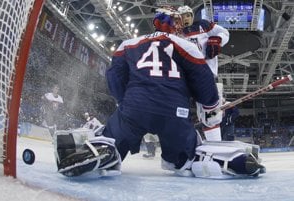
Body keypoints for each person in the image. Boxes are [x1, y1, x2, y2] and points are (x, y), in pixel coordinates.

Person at [53, 7, 265, 178]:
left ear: (153, 22)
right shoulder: (185, 44)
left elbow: (114, 77)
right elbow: (203, 79)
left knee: (113, 138)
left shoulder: (128, 44)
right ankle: (219, 159)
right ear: (175, 25)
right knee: (185, 156)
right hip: (174, 111)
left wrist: (123, 101)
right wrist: (209, 105)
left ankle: (103, 151)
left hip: (135, 106)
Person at [178, 5, 230, 141]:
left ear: (192, 16)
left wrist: (217, 40)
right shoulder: (175, 33)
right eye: (182, 16)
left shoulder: (204, 26)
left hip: (205, 75)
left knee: (211, 116)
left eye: (188, 15)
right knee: (178, 111)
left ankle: (215, 146)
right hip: (184, 78)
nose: (185, 19)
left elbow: (225, 33)